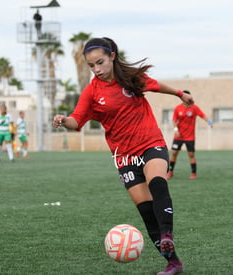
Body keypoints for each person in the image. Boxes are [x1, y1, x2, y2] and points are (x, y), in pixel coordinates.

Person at [53, 37, 193, 275]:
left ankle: (167, 234)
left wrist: (180, 94)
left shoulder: (130, 78)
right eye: (91, 66)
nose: (97, 69)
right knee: (147, 212)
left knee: (157, 181)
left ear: (112, 57)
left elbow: (156, 86)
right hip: (124, 156)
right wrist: (63, 120)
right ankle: (173, 262)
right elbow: (77, 121)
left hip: (150, 143)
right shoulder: (91, 92)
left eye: (100, 62)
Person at [167, 91, 213, 180]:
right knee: (174, 153)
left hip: (190, 137)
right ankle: (170, 172)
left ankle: (193, 173)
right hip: (179, 136)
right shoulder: (178, 108)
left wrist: (209, 122)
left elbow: (202, 115)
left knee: (191, 154)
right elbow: (174, 120)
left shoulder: (194, 108)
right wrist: (176, 130)